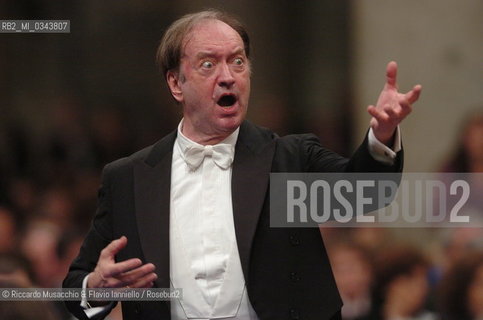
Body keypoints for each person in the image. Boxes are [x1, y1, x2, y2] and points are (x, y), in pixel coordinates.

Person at [63, 9, 421, 320]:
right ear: (176, 83)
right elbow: (74, 291)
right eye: (208, 64)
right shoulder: (128, 178)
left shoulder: (290, 158)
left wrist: (383, 134)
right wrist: (95, 288)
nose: (228, 75)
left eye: (237, 61)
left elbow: (365, 192)